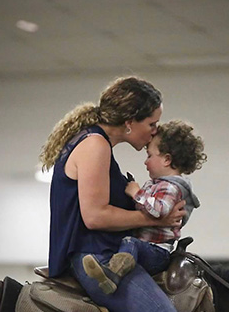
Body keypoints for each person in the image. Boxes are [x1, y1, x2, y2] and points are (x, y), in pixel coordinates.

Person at [39, 76, 186, 312]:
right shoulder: (95, 145)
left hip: (104, 251)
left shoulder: (98, 144)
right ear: (130, 122)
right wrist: (154, 221)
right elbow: (95, 217)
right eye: (152, 122)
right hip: (97, 256)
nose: (155, 131)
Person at [82, 120, 207, 294]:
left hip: (157, 252)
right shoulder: (158, 185)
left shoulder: (171, 187)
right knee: (130, 243)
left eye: (149, 156)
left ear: (167, 159)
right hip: (147, 248)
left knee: (130, 243)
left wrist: (136, 193)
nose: (145, 162)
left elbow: (158, 211)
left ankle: (112, 275)